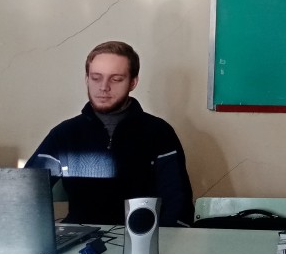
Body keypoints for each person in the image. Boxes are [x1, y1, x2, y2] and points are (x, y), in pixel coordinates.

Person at [26, 41, 194, 227]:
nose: (103, 87)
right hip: (82, 238)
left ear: (133, 82)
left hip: (141, 238)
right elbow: (25, 190)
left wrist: (166, 240)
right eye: (96, 78)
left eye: (116, 79)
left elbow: (178, 203)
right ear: (87, 79)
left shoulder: (159, 132)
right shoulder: (64, 134)